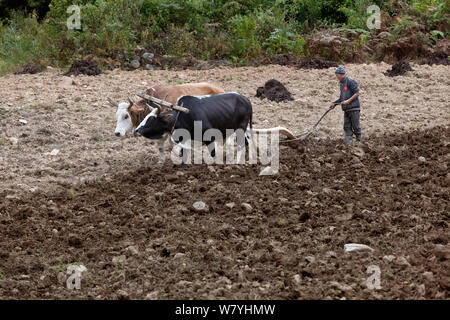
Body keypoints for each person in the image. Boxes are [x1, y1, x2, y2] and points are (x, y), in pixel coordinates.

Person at [330, 66, 361, 144]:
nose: (336, 77)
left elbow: (357, 93)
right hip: (346, 109)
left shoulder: (350, 81)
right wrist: (335, 103)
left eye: (337, 75)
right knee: (346, 126)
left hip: (354, 108)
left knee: (355, 126)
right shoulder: (341, 84)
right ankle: (349, 144)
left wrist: (348, 101)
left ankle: (359, 141)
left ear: (341, 74)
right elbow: (342, 98)